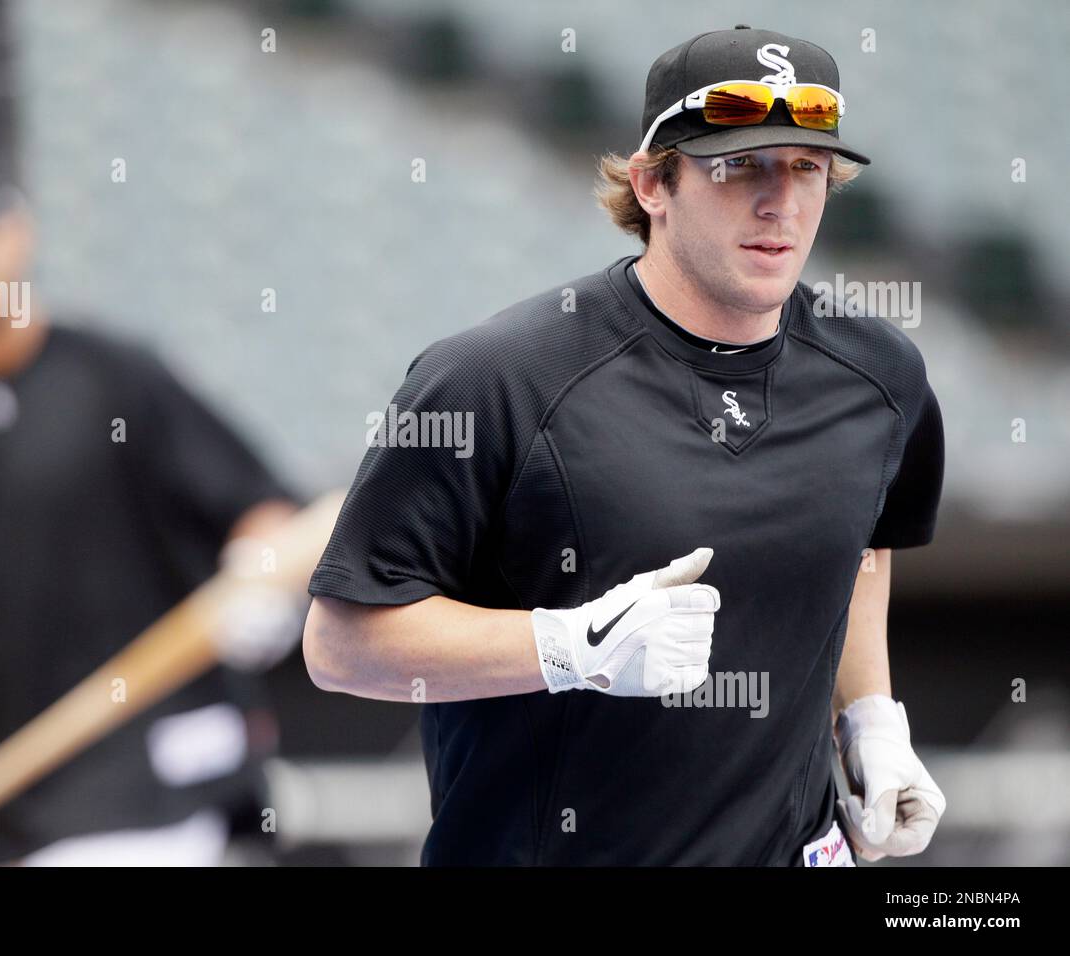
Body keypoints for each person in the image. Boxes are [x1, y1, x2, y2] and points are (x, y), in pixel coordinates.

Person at [304, 26, 946, 866]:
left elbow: (864, 546)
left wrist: (870, 721)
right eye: (738, 164)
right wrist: (570, 649)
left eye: (805, 167)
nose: (779, 202)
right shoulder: (498, 376)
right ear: (652, 184)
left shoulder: (878, 374)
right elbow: (341, 645)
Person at [0, 148, 301, 865]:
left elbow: (264, 509)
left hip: (164, 796)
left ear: (17, 233)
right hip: (0, 813)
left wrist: (259, 579)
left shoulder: (118, 381)